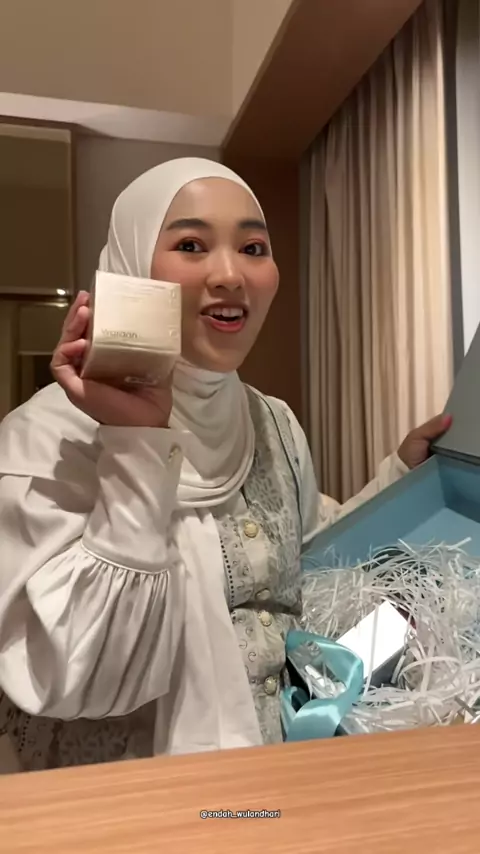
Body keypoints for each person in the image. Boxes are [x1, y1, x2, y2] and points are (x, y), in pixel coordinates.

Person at [0, 158, 450, 772]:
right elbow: (81, 677)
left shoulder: (271, 421)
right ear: (131, 267)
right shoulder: (44, 441)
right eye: (191, 245)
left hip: (274, 779)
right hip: (125, 799)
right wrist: (138, 442)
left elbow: (302, 559)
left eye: (253, 248)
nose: (231, 274)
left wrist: (402, 476)